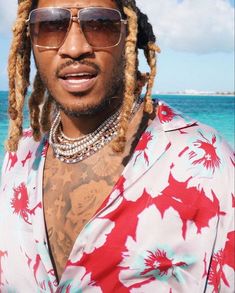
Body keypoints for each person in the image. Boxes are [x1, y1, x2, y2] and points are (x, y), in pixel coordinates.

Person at [0, 0, 234, 292]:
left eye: (99, 24)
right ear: (29, 39)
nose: (74, 47)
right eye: (50, 26)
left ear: (129, 38)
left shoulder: (205, 164)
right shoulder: (19, 155)